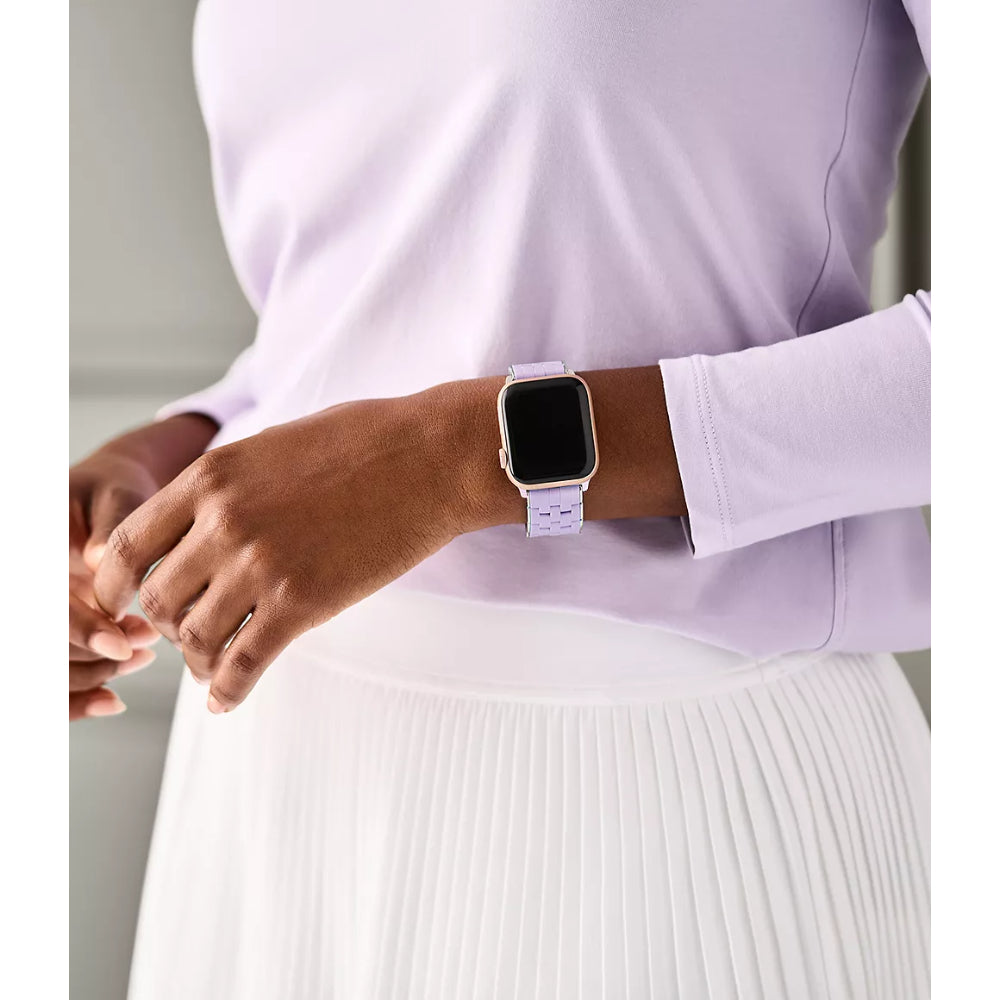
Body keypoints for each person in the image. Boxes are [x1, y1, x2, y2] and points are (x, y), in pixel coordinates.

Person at [69, 0, 931, 996]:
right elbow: (372, 292)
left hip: (671, 777)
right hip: (281, 770)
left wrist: (459, 460)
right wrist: (180, 452)